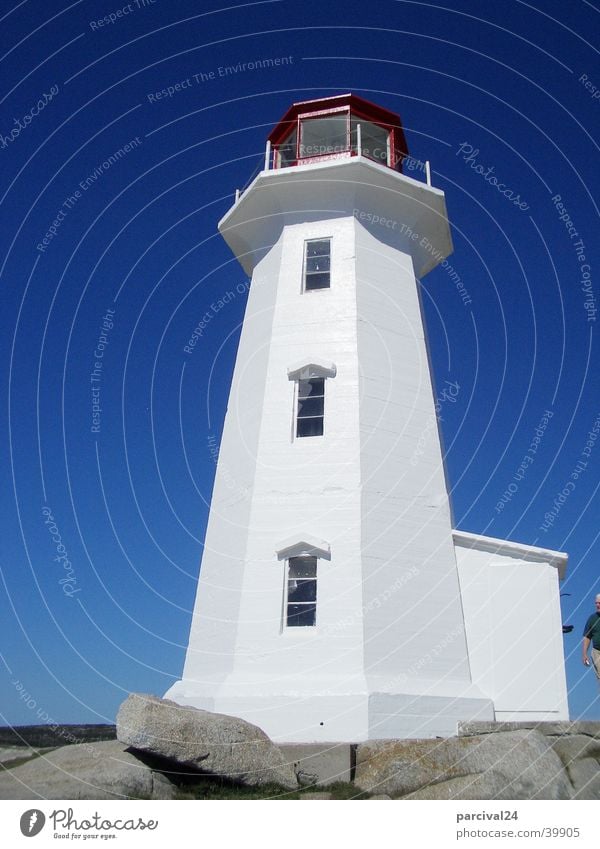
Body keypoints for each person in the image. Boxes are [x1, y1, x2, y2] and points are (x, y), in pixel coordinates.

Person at [582, 594, 600, 677]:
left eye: (599, 603)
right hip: (597, 651)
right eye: (596, 603)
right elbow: (587, 636)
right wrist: (584, 653)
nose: (597, 605)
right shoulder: (592, 619)